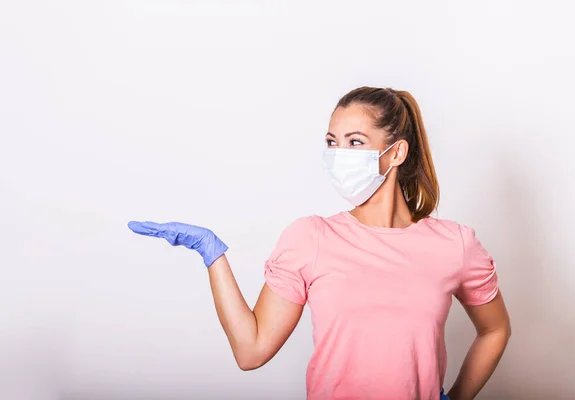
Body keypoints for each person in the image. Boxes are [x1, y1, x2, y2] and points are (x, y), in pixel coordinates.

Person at [128, 87, 511, 400]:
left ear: (395, 153)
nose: (338, 155)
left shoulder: (453, 244)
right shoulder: (310, 238)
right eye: (332, 142)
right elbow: (251, 351)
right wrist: (213, 254)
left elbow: (495, 330)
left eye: (354, 142)